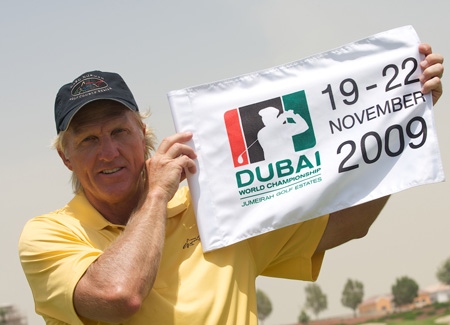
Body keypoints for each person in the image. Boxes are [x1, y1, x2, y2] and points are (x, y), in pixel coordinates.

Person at [19, 44, 444, 325]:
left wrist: (399, 125)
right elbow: (118, 296)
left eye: (119, 131)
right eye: (89, 140)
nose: (108, 151)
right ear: (65, 157)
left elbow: (348, 223)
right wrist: (158, 195)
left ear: (143, 133)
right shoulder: (48, 235)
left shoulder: (215, 205)